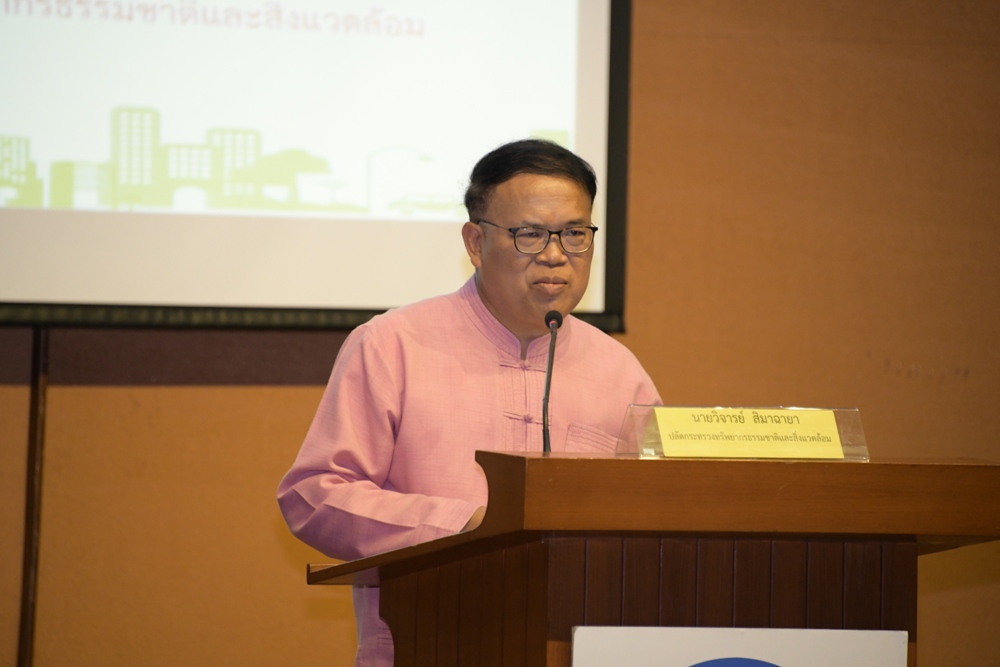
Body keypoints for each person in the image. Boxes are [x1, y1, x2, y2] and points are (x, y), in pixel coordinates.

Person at [277, 139, 661, 666]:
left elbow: (657, 513)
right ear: (476, 242)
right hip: (426, 644)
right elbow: (314, 495)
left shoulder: (620, 372)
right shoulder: (392, 344)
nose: (555, 254)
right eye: (530, 234)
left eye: (575, 234)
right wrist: (463, 525)